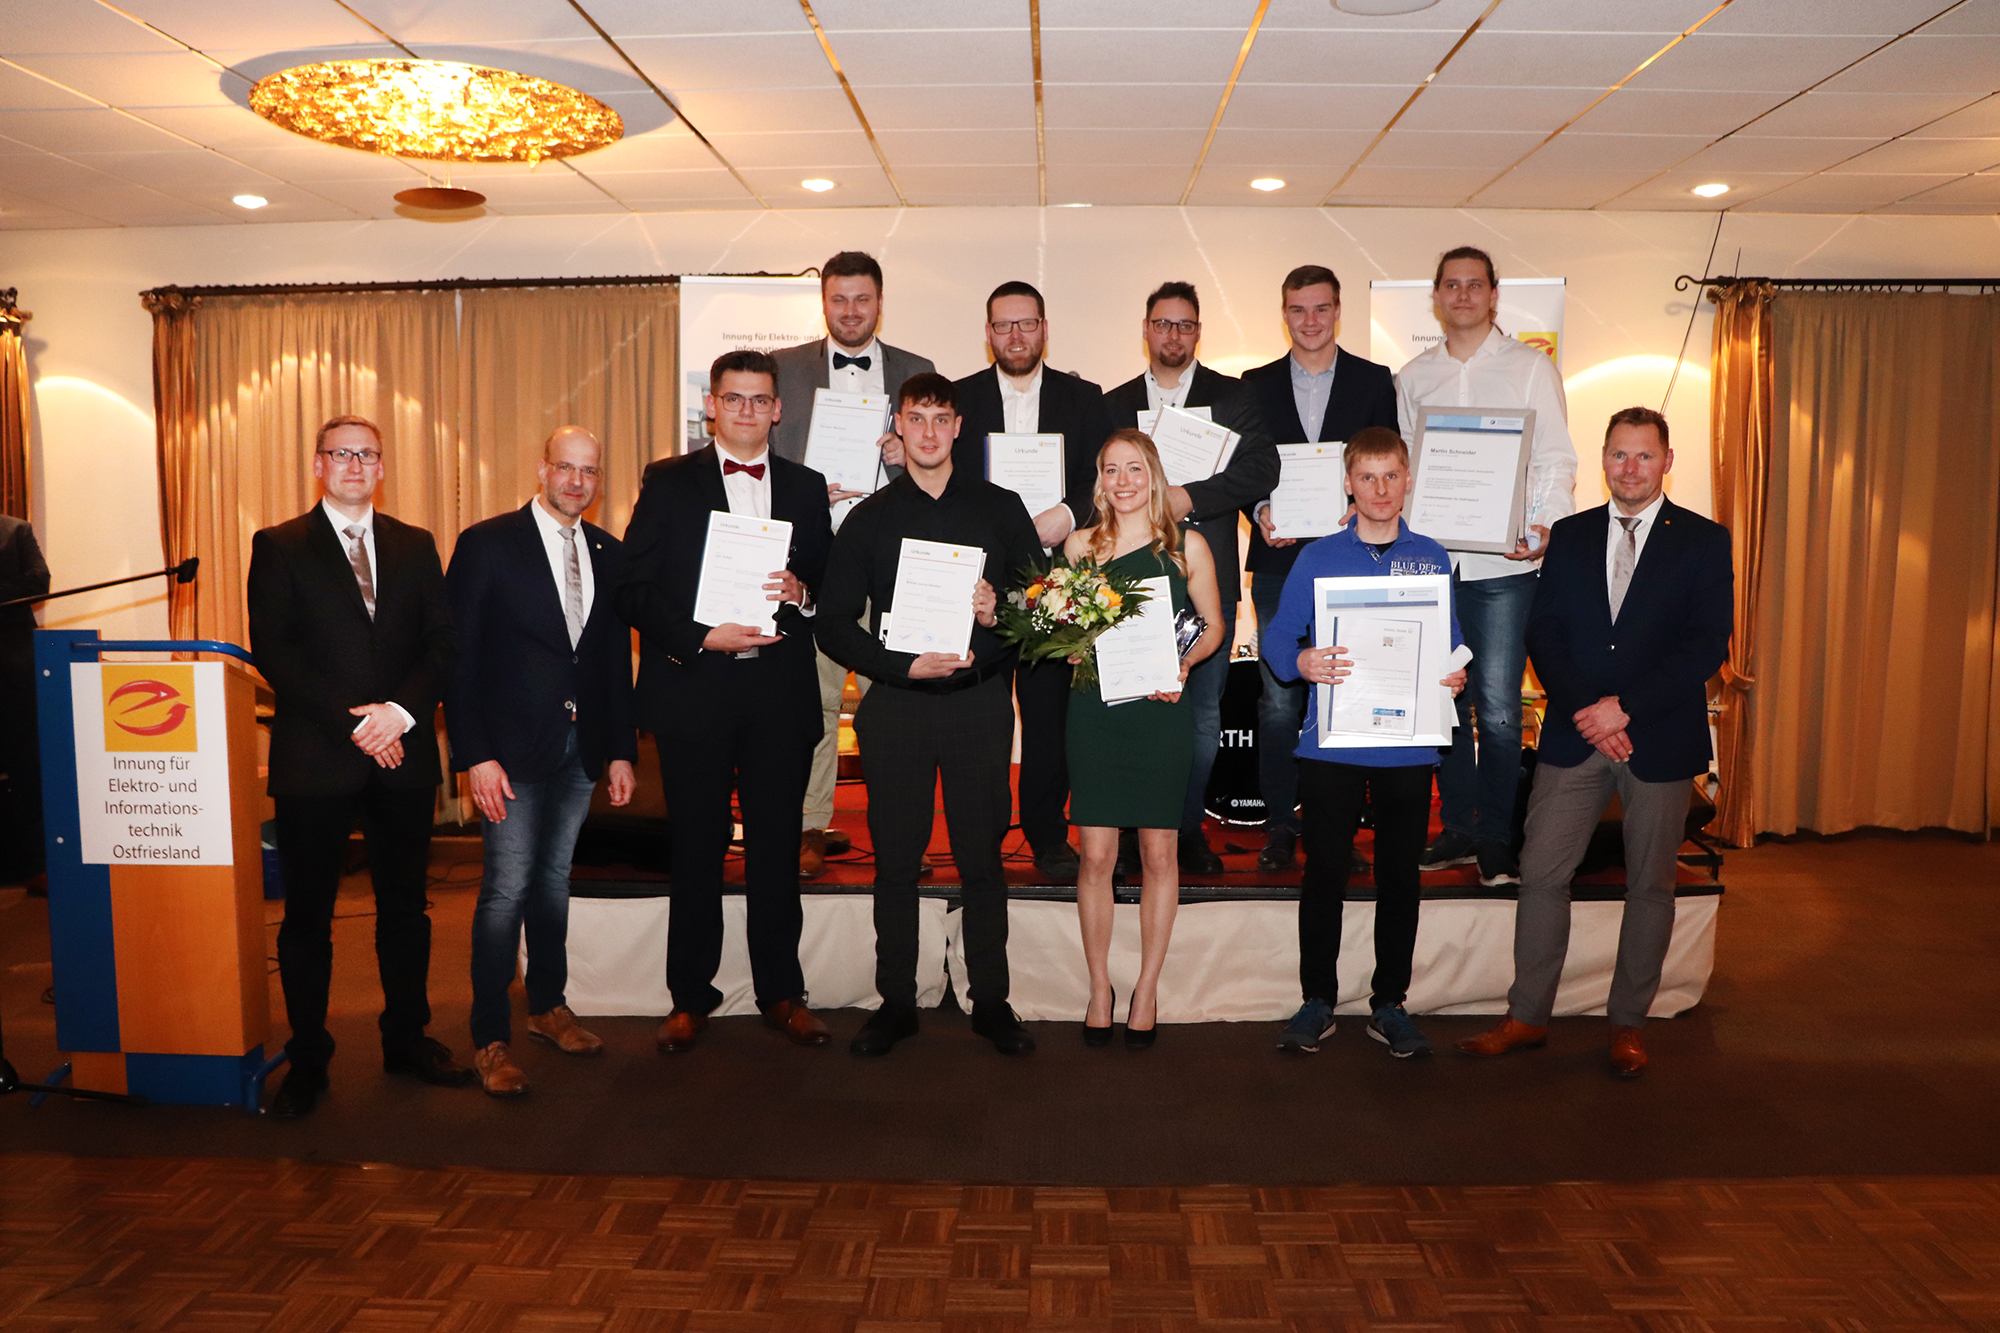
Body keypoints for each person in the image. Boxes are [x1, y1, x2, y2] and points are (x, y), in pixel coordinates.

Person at [1456, 407, 1731, 1078]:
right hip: (1576, 735)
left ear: (1668, 460)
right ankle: (1527, 1016)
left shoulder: (1703, 539)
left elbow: (1705, 643)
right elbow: (1543, 631)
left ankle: (1628, 1025)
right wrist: (1588, 709)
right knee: (1543, 874)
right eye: (1617, 455)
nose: (1629, 468)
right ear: (1601, 459)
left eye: (1643, 456)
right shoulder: (1572, 535)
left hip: (1657, 738)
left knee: (1650, 887)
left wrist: (1623, 710)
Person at [817, 372, 1044, 1058]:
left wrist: (996, 612)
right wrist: (897, 666)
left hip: (978, 705)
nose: (928, 431)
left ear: (958, 427)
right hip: (898, 707)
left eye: (940, 418)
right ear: (899, 426)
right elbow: (831, 624)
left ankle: (993, 1001)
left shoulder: (1002, 508)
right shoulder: (870, 518)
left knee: (983, 860)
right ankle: (894, 1002)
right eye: (916, 418)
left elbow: (1040, 608)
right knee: (895, 861)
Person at [245, 415, 465, 1117]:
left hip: (401, 753)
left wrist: (397, 715)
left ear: (380, 467)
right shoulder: (279, 545)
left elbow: (441, 641)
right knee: (307, 915)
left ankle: (406, 1037)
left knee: (406, 907)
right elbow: (278, 654)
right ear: (317, 464)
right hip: (318, 756)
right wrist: (360, 723)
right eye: (340, 453)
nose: (354, 464)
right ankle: (308, 1056)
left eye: (367, 454)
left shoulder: (416, 544)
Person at [616, 351, 835, 1054]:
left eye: (759, 399)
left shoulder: (805, 489)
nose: (746, 410)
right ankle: (690, 995)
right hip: (695, 689)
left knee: (776, 847)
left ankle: (781, 991)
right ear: (711, 405)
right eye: (732, 398)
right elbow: (635, 589)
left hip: (777, 693)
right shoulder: (669, 482)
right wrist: (699, 635)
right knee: (697, 847)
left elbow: (829, 586)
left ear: (778, 409)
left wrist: (802, 594)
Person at [445, 426, 638, 1097]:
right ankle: (490, 1036)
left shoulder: (610, 554)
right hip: (510, 755)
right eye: (566, 467)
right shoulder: (486, 544)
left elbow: (613, 661)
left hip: (580, 753)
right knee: (506, 889)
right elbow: (458, 660)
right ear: (541, 468)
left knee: (553, 881)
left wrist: (619, 748)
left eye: (589, 470)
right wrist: (475, 755)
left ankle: (548, 1007)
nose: (577, 481)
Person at [1261, 427, 1466, 1059]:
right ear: (1348, 483)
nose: (1380, 489)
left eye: (1391, 476)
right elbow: (1276, 641)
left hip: (1408, 746)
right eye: (1367, 477)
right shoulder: (1318, 556)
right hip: (1332, 744)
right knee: (1324, 872)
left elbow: (1451, 640)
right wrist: (1305, 663)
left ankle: (1389, 1003)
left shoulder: (1430, 556)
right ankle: (1317, 999)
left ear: (1408, 481)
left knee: (1400, 876)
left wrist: (1454, 673)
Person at [1398, 246, 1578, 888]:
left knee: (1500, 708)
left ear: (1494, 294)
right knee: (1445, 704)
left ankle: (1497, 837)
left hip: (1504, 568)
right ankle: (1459, 830)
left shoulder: (1531, 368)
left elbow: (1557, 458)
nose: (1464, 295)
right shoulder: (1413, 376)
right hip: (1433, 566)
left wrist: (1545, 526)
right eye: (1452, 285)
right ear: (1437, 296)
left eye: (1476, 285)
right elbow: (1405, 476)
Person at [769, 251, 938, 880]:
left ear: (879, 301)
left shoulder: (917, 372)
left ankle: (903, 835)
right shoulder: (782, 372)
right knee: (809, 705)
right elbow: (768, 465)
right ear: (824, 302)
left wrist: (903, 458)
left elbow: (938, 469)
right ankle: (811, 827)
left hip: (890, 569)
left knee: (891, 711)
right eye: (838, 299)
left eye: (861, 299)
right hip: (813, 565)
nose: (850, 311)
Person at [1102, 282, 1276, 877]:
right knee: (1128, 714)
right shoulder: (1114, 402)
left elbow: (1262, 467)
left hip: (1205, 581)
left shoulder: (1234, 396)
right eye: (1162, 324)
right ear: (1145, 329)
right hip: (1125, 587)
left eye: (1184, 325)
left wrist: (1186, 497)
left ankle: (1183, 828)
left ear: (1198, 332)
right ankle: (1130, 831)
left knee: (1201, 717)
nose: (1172, 335)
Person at [1063, 430, 1224, 1049]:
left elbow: (1211, 626)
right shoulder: (1079, 547)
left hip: (1161, 712)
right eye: (1111, 470)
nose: (1123, 480)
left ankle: (1148, 988)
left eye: (1135, 469)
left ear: (1154, 476)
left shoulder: (1187, 546)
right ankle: (1099, 986)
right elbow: (1066, 630)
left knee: (1160, 855)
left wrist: (1180, 666)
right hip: (1096, 712)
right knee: (1097, 857)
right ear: (1099, 480)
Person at [1240, 266, 1399, 872]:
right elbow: (1247, 468)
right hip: (1281, 560)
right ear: (1284, 314)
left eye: (1321, 309)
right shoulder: (1252, 385)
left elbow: (1385, 459)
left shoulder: (1373, 380)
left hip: (1356, 561)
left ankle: (1339, 829)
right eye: (1298, 310)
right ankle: (1279, 825)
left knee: (1351, 690)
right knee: (1279, 702)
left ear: (1338, 312)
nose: (1310, 321)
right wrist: (1259, 510)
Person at [954, 281, 1112, 884]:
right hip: (980, 586)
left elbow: (1102, 482)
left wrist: (1066, 517)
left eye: (1027, 324)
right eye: (1003, 326)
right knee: (983, 718)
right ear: (988, 332)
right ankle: (983, 833)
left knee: (1048, 719)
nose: (1015, 336)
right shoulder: (960, 398)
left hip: (1058, 582)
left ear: (1045, 329)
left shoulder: (1083, 398)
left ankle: (1047, 835)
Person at [0, 513, 50, 891]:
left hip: (15, 668)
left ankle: (37, 866)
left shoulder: (15, 529)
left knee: (28, 768)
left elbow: (39, 581)